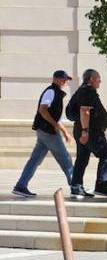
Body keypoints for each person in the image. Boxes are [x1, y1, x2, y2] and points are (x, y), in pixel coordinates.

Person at [12, 70, 73, 199]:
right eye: (63, 79)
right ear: (55, 79)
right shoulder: (51, 91)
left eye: (66, 79)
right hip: (48, 132)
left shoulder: (56, 93)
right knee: (65, 159)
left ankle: (20, 186)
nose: (65, 81)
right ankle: (75, 186)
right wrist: (54, 125)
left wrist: (65, 132)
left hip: (44, 132)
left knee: (34, 160)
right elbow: (43, 110)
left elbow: (56, 118)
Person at [65, 69, 107, 199]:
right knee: (105, 154)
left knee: (82, 158)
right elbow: (85, 111)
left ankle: (76, 187)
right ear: (91, 79)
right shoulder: (87, 91)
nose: (100, 81)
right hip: (90, 132)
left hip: (83, 130)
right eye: (98, 78)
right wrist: (85, 132)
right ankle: (101, 186)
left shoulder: (82, 90)